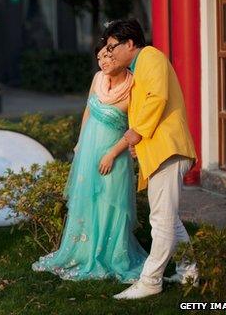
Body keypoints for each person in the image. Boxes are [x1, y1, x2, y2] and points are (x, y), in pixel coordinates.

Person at [31, 40, 147, 283]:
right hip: (89, 150)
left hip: (115, 153)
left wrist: (113, 154)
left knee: (110, 201)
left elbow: (137, 127)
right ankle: (83, 251)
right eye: (100, 58)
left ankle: (111, 256)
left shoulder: (134, 84)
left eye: (108, 56)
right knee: (89, 200)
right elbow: (88, 110)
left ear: (121, 56)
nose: (104, 62)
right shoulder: (97, 79)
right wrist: (81, 142)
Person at [100, 19, 199, 300]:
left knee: (161, 221)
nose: (108, 53)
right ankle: (188, 270)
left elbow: (157, 97)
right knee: (167, 218)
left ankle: (151, 280)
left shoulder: (151, 56)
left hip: (168, 150)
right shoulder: (139, 65)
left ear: (130, 43)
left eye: (112, 47)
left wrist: (136, 133)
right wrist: (139, 142)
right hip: (160, 150)